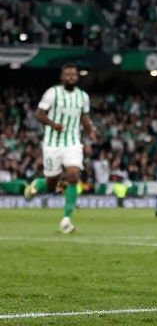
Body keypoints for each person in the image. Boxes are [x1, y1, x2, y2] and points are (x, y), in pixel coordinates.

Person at [24, 63, 96, 234]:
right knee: (52, 182)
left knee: (73, 174)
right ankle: (38, 184)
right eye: (68, 74)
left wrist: (91, 133)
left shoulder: (82, 96)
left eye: (74, 74)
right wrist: (52, 124)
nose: (71, 77)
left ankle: (66, 219)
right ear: (62, 77)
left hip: (72, 142)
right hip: (52, 144)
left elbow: (85, 117)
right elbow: (39, 113)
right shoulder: (52, 93)